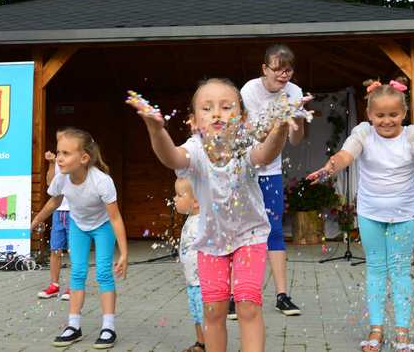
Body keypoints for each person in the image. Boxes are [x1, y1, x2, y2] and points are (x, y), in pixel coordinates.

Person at [126, 78, 303, 352]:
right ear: (194, 121)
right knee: (213, 311)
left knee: (247, 304)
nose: (217, 114)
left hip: (250, 236)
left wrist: (279, 128)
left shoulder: (244, 145)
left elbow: (267, 154)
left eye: (226, 107)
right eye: (207, 109)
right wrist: (155, 130)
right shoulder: (194, 149)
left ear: (242, 118)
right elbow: (171, 158)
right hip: (210, 240)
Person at [307, 78, 414, 352]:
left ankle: (402, 332)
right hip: (370, 212)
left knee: (400, 272)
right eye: (380, 115)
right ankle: (375, 329)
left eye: (393, 114)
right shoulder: (363, 133)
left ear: (403, 114)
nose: (387, 121)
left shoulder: (412, 135)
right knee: (376, 270)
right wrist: (329, 168)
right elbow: (345, 155)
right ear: (369, 115)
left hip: (403, 213)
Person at [31, 128, 128, 349]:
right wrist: (37, 220)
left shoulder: (102, 181)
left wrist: (124, 252)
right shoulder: (61, 178)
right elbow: (54, 202)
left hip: (103, 226)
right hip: (78, 225)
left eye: (66, 153)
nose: (60, 158)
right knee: (77, 272)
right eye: (58, 152)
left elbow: (115, 218)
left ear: (84, 158)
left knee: (104, 273)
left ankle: (108, 327)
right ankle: (74, 325)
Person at [240, 44, 308, 316]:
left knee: (275, 230)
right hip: (245, 169)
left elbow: (295, 140)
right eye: (278, 69)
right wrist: (278, 123)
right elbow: (252, 134)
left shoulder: (295, 92)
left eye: (288, 69)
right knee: (242, 231)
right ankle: (238, 295)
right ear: (264, 69)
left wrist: (298, 120)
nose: (284, 75)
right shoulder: (248, 91)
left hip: (272, 172)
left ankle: (282, 295)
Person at [37, 128, 72, 301]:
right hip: (59, 212)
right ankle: (54, 285)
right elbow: (50, 183)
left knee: (75, 250)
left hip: (75, 212)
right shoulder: (58, 161)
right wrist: (51, 163)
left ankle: (74, 286)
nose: (59, 153)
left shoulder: (76, 159)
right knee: (55, 249)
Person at [173, 177, 205, 352]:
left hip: (202, 283)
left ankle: (211, 344)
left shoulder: (202, 222)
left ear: (196, 202)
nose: (175, 199)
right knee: (196, 315)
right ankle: (201, 343)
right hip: (191, 282)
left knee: (205, 316)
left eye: (179, 195)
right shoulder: (190, 219)